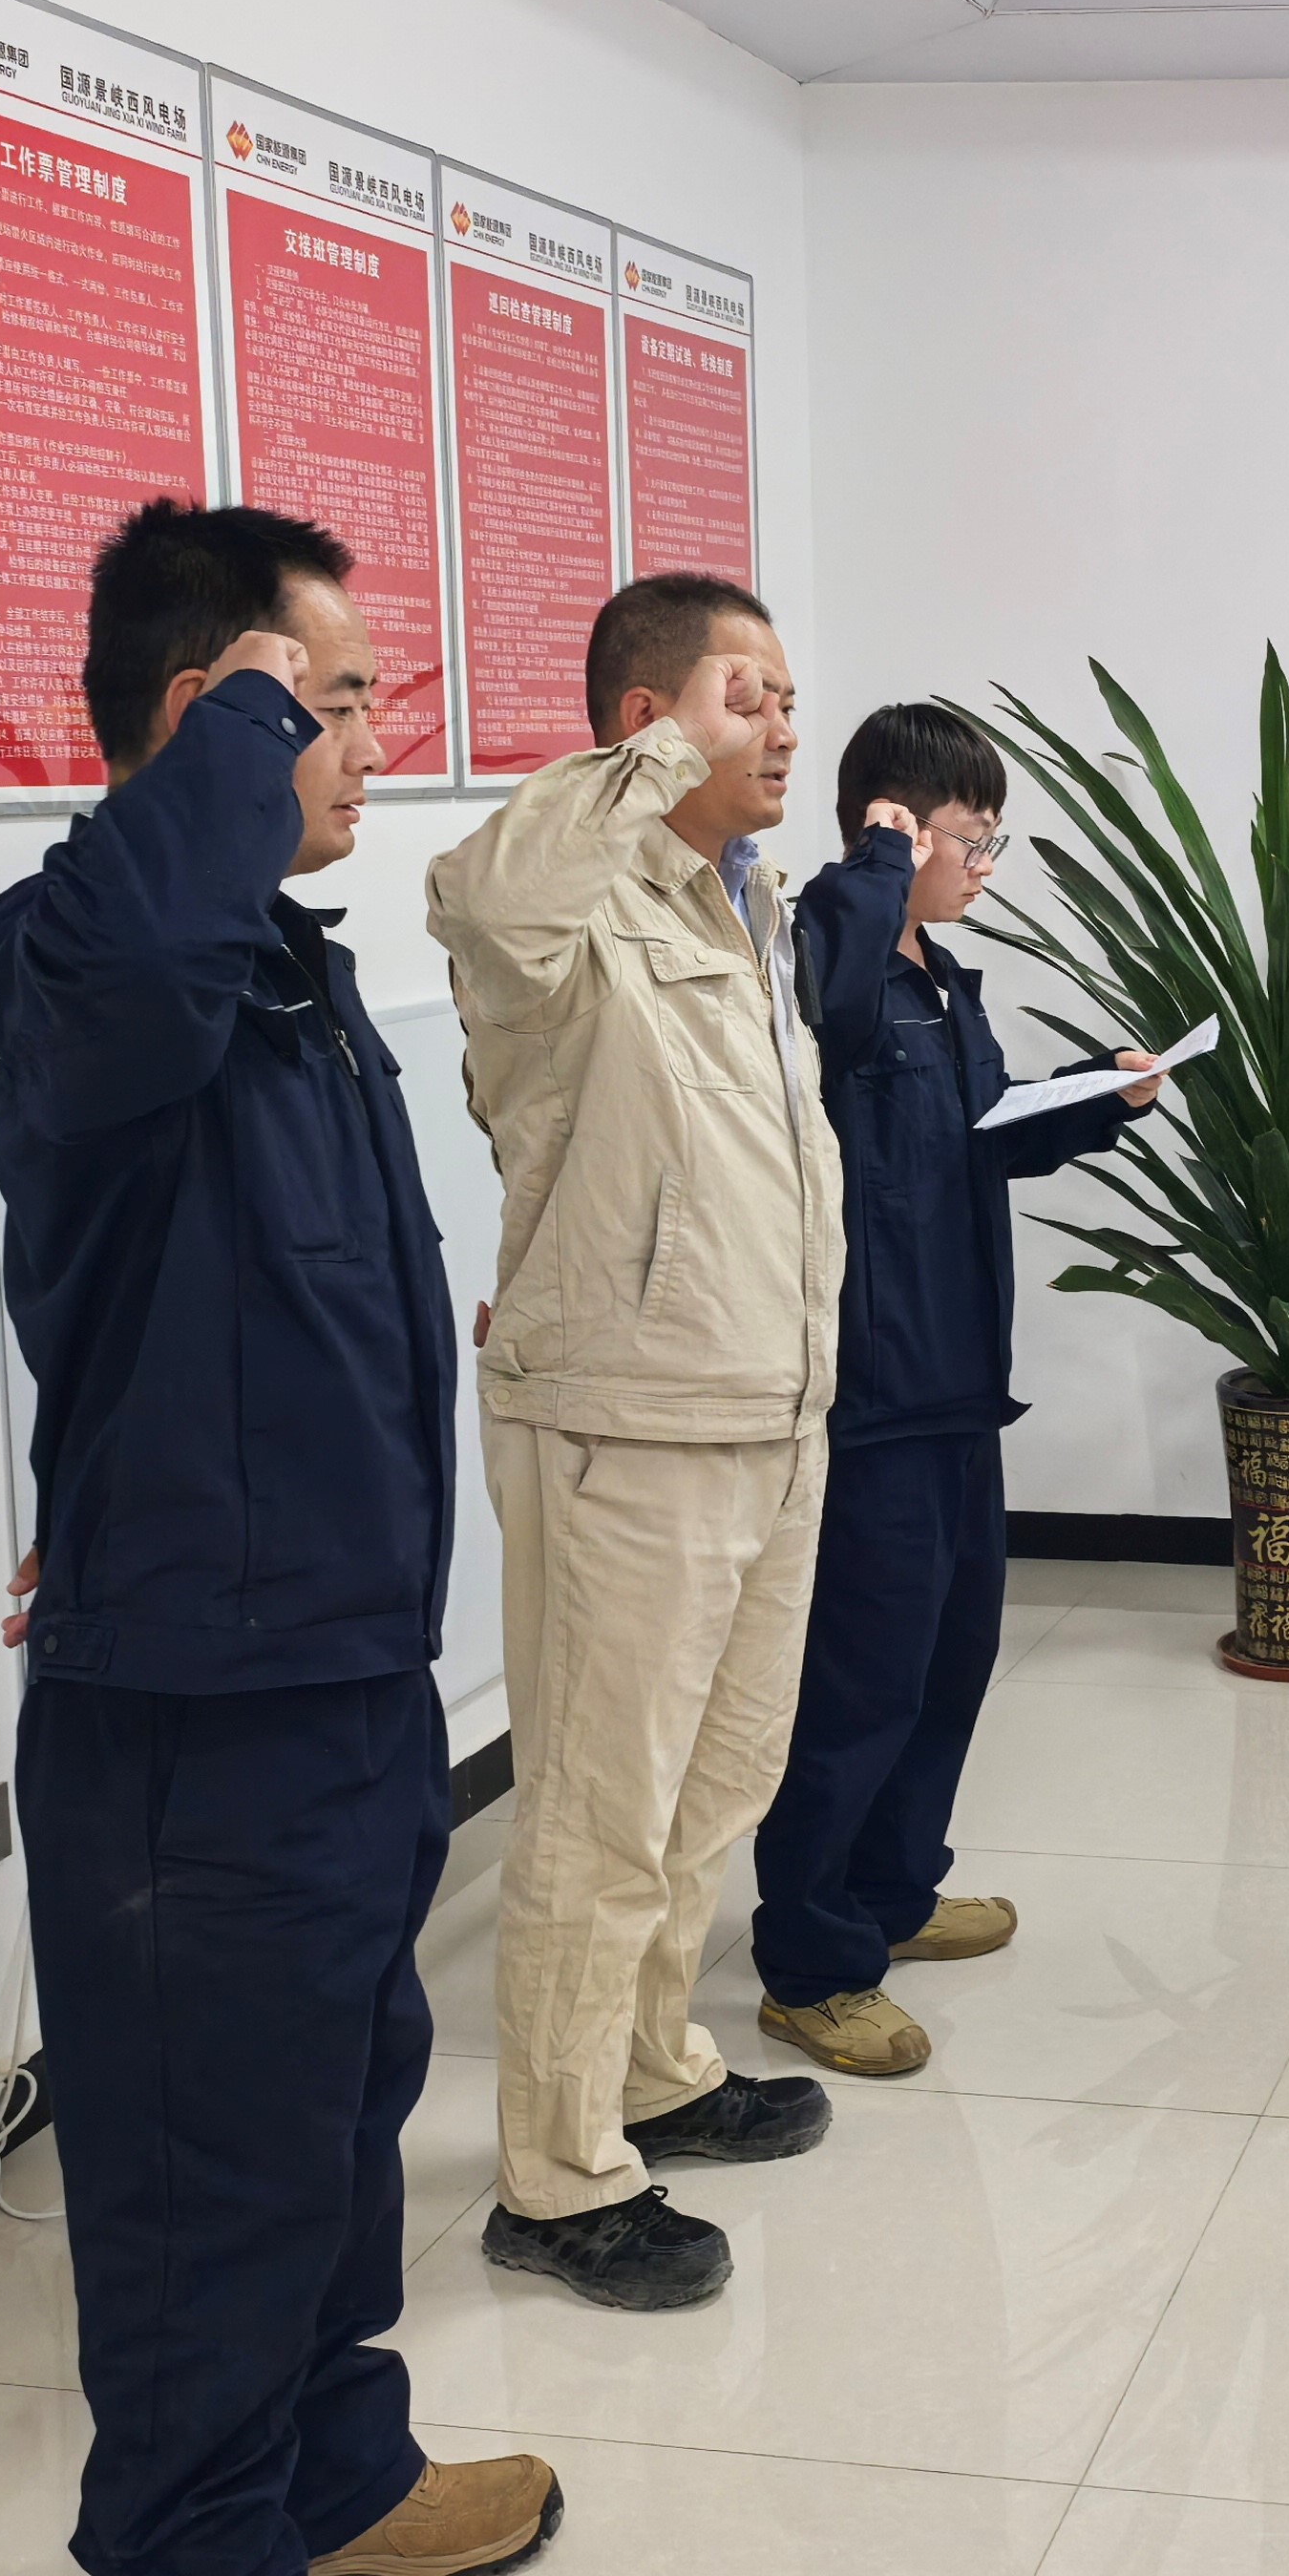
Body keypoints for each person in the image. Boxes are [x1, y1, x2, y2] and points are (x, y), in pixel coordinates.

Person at [0, 500, 560, 2576]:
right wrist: (241, 722)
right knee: (207, 2181)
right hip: (188, 1724)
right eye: (338, 699)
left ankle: (332, 2473)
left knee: (332, 2121)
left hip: (333, 1672)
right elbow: (135, 982)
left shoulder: (284, 967)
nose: (375, 742)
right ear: (215, 707)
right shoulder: (63, 951)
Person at [424, 573, 844, 2311]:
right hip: (628, 1426)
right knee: (602, 1815)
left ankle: (654, 2069)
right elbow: (477, 887)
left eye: (789, 695)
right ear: (643, 720)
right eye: (749, 696)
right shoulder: (568, 925)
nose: (785, 727)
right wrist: (666, 754)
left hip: (766, 1412)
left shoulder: (747, 908)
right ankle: (555, 2172)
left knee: (718, 1781)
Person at [749, 702, 1166, 2076]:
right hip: (871, 1391)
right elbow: (830, 1023)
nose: (985, 866)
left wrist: (1101, 1097)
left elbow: (979, 1137)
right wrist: (872, 866)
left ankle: (893, 1891)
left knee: (948, 1659)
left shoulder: (943, 977)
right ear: (897, 827)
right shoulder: (827, 948)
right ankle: (813, 1962)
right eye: (968, 840)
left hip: (959, 1382)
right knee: (857, 1683)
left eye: (993, 841)